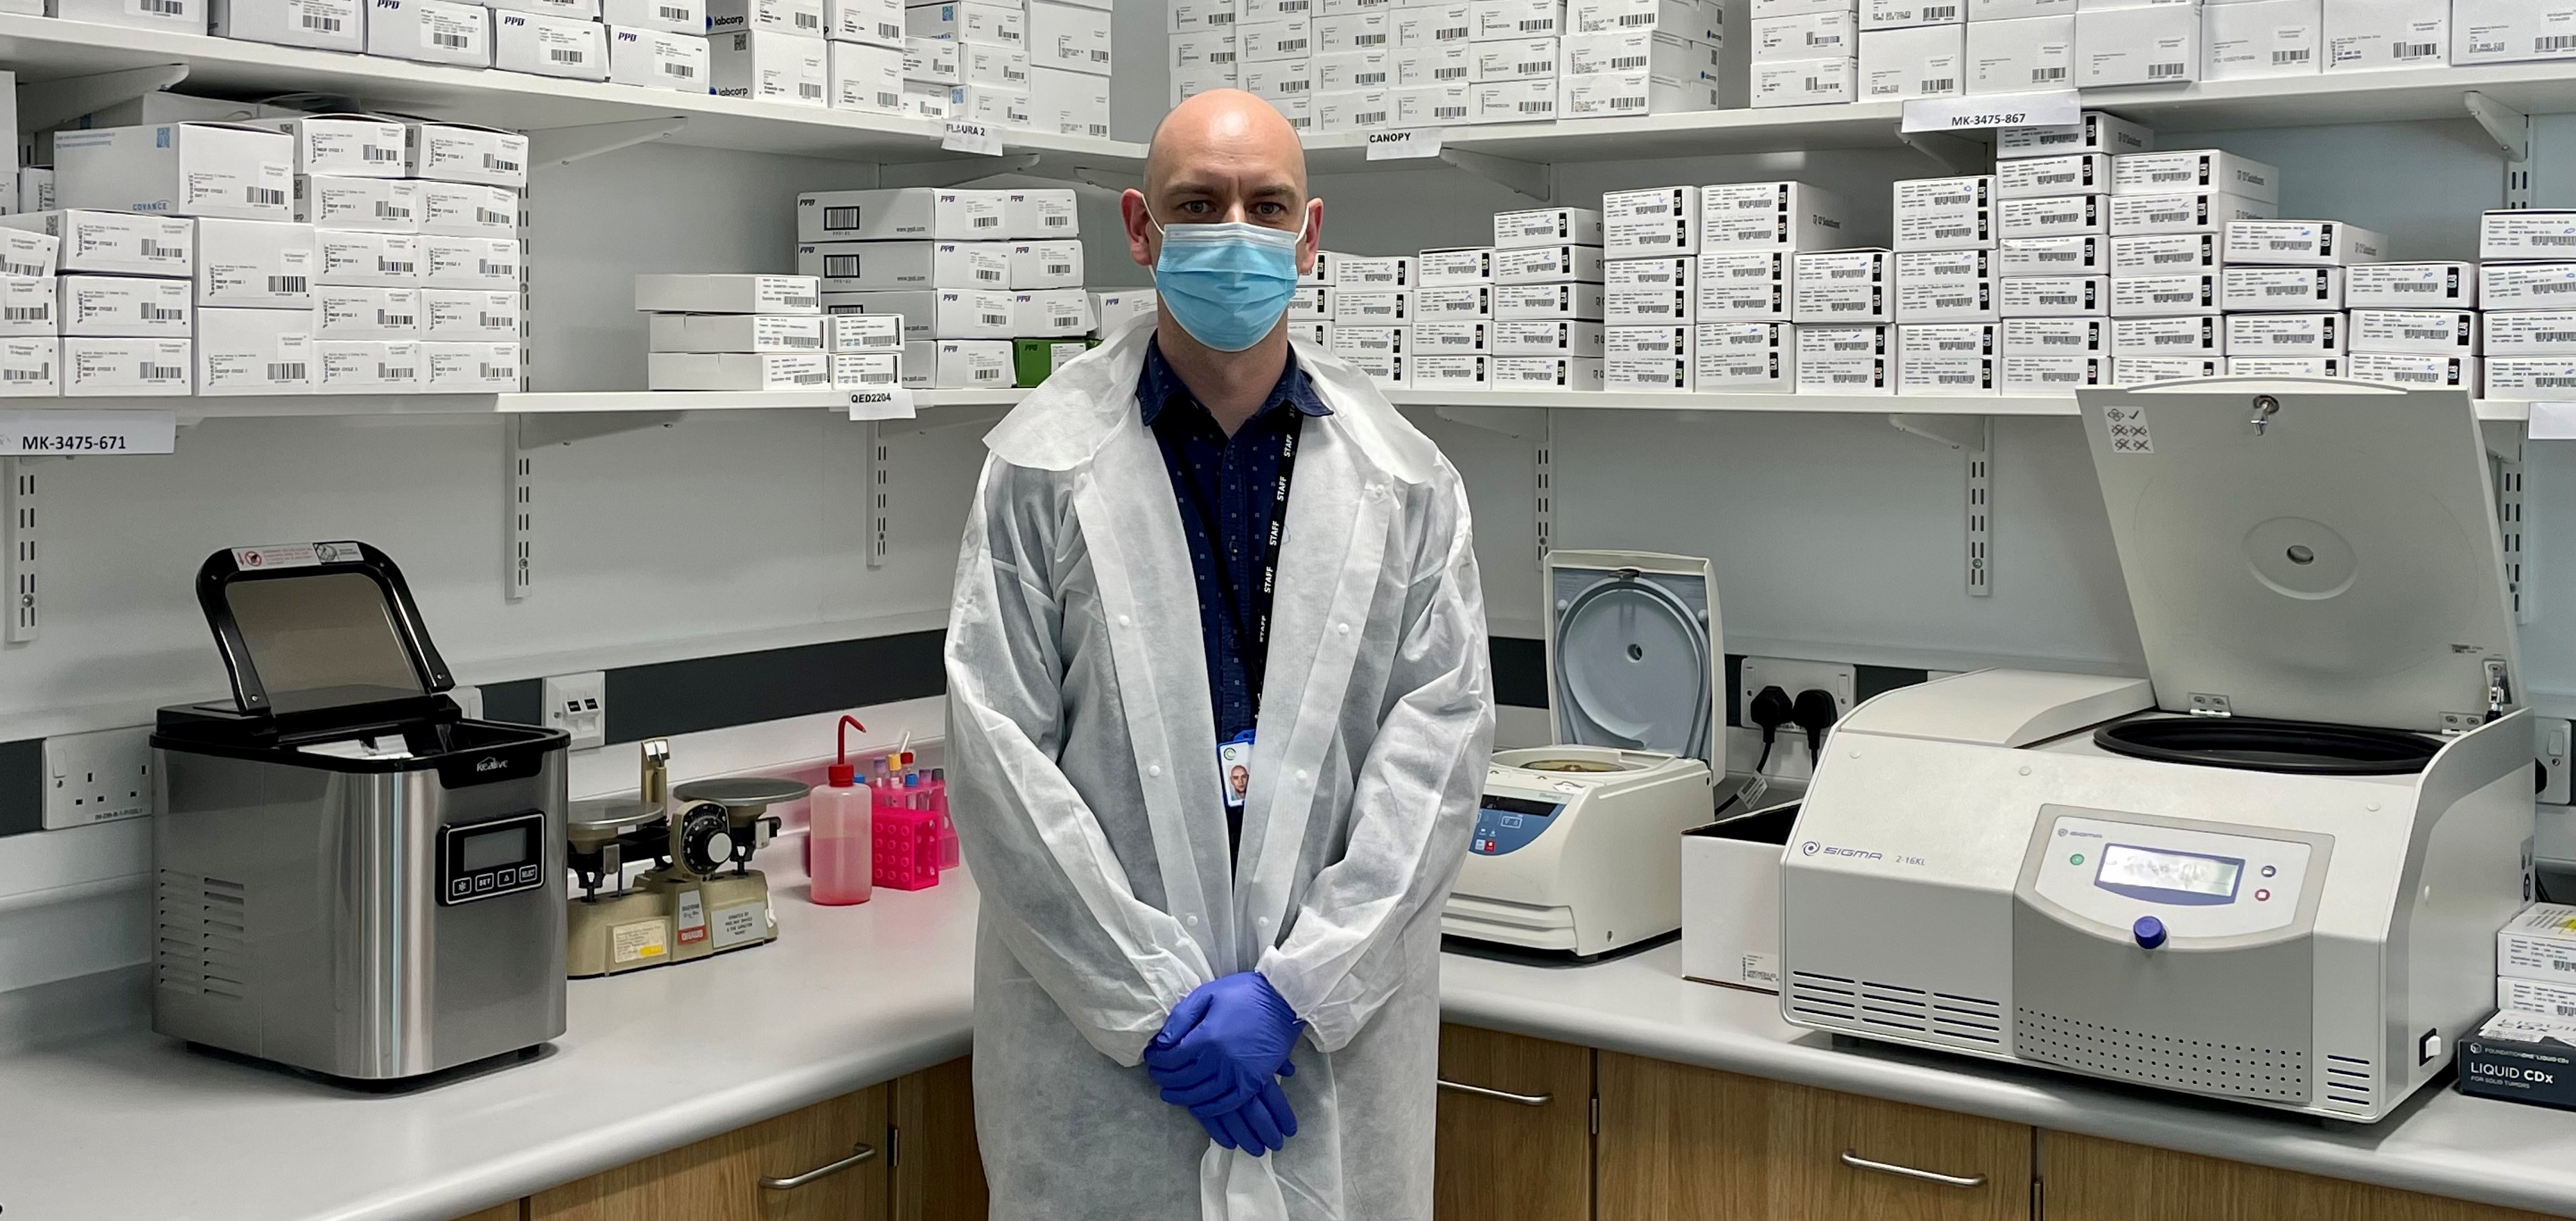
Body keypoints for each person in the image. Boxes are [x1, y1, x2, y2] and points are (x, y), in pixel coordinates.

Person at [943, 89, 1496, 1221]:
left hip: (1323, 1054)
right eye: (1200, 203)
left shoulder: (1406, 481)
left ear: (1310, 231)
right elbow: (999, 763)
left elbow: (1434, 760)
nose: (1234, 230)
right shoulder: (1041, 467)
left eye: (1265, 204)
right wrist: (1150, 1001)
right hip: (1106, 1061)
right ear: (1141, 229)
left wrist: (1298, 992)